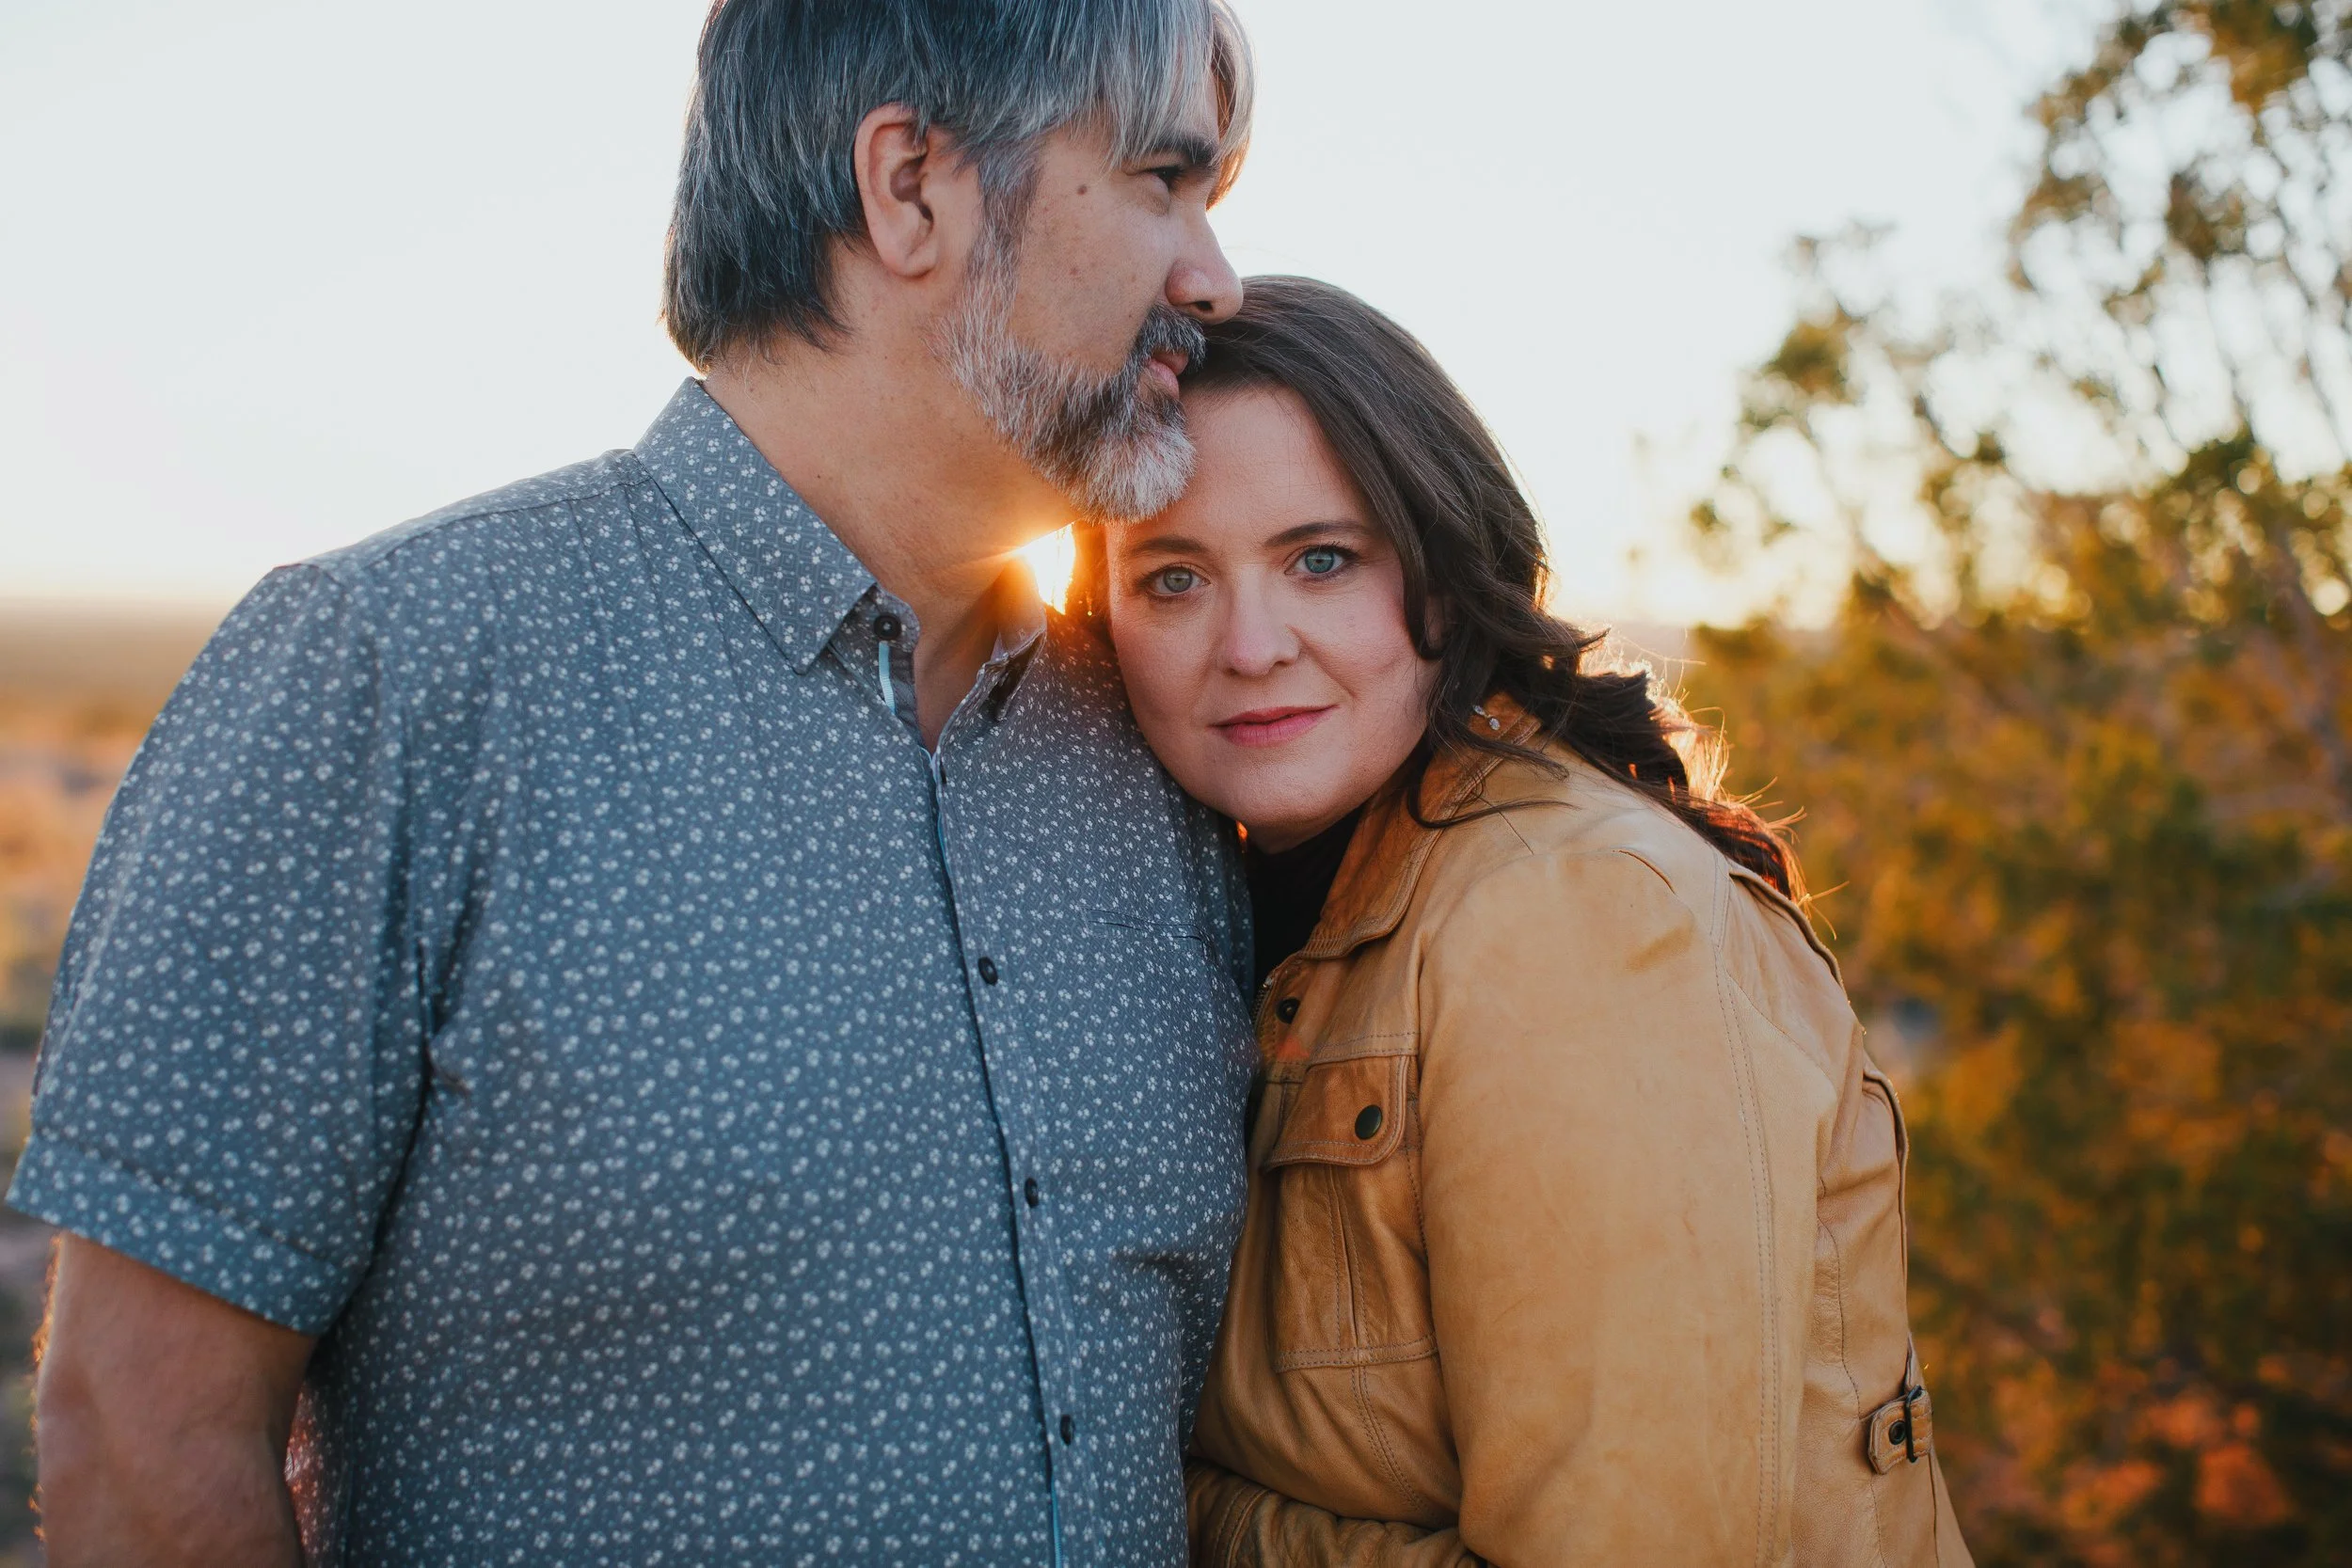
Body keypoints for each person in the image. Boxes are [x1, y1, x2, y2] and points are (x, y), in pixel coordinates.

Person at [14, 3, 1262, 1563]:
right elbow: (144, 1431)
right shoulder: (386, 677)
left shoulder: (1159, 739)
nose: (1215, 276)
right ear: (911, 187)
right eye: (1164, 182)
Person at [1096, 277, 1975, 1566]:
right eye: (1172, 578)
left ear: (1444, 581)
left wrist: (1169, 1512)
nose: (1250, 642)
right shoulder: (1248, 898)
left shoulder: (1568, 915)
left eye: (1320, 558)